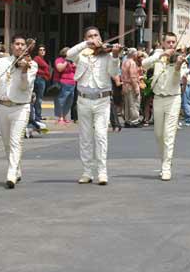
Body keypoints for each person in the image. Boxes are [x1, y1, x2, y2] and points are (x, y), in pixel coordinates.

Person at [66, 28, 121, 185]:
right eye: (90, 36)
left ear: (100, 37)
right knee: (85, 137)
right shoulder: (81, 55)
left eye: (96, 35)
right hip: (83, 99)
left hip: (102, 100)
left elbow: (113, 71)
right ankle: (87, 172)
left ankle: (102, 172)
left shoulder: (107, 54)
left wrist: (115, 56)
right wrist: (86, 44)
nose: (93, 38)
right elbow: (69, 54)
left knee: (101, 136)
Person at [0, 35, 38, 189]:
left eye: (22, 44)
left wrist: (24, 70)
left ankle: (11, 173)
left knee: (15, 141)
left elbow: (24, 87)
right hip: (3, 105)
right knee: (7, 143)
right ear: (12, 46)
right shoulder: (2, 62)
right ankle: (17, 169)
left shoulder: (31, 64)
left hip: (20, 107)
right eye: (17, 44)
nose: (20, 47)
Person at [142, 32, 187, 181]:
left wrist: (178, 66)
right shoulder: (158, 56)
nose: (171, 45)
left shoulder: (180, 59)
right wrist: (160, 56)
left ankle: (166, 167)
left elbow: (176, 81)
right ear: (163, 43)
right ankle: (164, 161)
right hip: (158, 99)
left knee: (169, 135)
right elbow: (144, 64)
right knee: (158, 134)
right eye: (168, 42)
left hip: (173, 99)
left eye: (174, 42)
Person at [53, 48, 76, 125]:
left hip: (72, 83)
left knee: (69, 101)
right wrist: (66, 62)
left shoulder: (72, 61)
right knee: (61, 100)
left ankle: (65, 116)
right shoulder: (60, 60)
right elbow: (59, 68)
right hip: (63, 82)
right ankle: (60, 117)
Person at [121, 48, 143, 127]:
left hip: (125, 85)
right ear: (133, 54)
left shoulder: (124, 62)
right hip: (131, 85)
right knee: (134, 103)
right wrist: (136, 87)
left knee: (127, 103)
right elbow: (133, 76)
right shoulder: (132, 63)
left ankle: (127, 120)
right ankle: (134, 120)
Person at [32, 45, 51, 129]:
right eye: (40, 50)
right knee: (38, 99)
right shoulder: (36, 58)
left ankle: (38, 115)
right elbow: (35, 69)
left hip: (42, 79)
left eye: (44, 50)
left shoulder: (42, 59)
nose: (42, 51)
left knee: (39, 98)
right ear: (38, 51)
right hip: (39, 79)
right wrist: (43, 74)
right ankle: (37, 116)